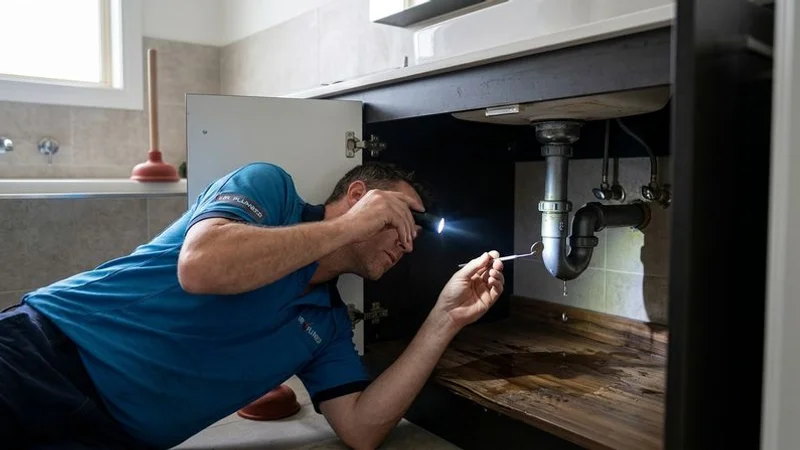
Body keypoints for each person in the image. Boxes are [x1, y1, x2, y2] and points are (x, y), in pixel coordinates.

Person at [0, 161, 505, 449]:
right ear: (359, 195)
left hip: (105, 435)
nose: (409, 241)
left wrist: (445, 318)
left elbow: (361, 430)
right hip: (37, 358)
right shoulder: (269, 190)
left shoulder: (327, 325)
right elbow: (202, 266)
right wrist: (351, 227)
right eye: (404, 217)